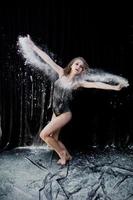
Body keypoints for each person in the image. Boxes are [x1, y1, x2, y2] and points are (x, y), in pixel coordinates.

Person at [24, 35, 128, 165]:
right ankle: (67, 155)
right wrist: (33, 46)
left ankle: (63, 156)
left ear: (82, 71)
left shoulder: (78, 83)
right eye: (77, 63)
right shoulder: (61, 72)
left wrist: (115, 87)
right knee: (53, 139)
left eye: (82, 66)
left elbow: (97, 84)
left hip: (65, 114)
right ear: (72, 64)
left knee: (44, 135)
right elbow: (47, 59)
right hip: (55, 113)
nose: (78, 66)